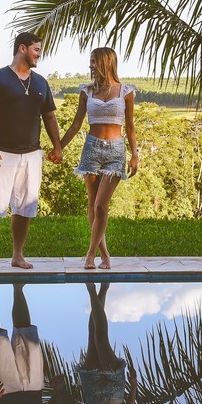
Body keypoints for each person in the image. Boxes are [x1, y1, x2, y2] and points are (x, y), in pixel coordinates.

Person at [0, 31, 63, 271]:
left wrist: (57, 146)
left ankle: (17, 255)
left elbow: (50, 116)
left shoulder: (41, 82)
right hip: (1, 154)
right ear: (22, 48)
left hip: (32, 155)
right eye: (36, 50)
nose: (39, 55)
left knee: (25, 207)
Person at [58, 47, 139, 269]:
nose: (90, 65)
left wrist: (135, 155)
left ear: (106, 63)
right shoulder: (86, 91)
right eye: (90, 61)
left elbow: (130, 126)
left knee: (101, 206)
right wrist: (59, 147)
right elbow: (76, 124)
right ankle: (104, 255)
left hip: (116, 151)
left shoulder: (125, 91)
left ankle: (91, 254)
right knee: (92, 205)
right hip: (91, 148)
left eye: (94, 61)